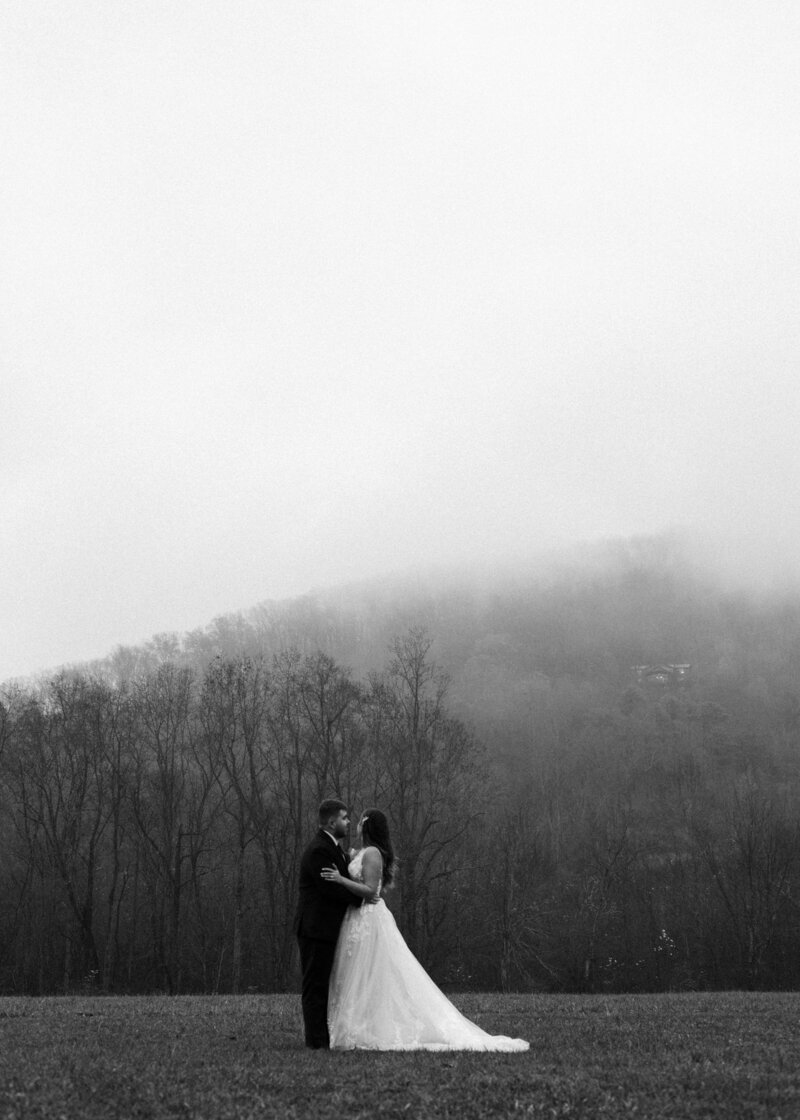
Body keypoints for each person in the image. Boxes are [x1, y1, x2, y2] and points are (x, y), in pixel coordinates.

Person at [320, 809, 529, 1051]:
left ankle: (368, 1028)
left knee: (373, 972)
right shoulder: (362, 852)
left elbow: (370, 891)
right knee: (356, 974)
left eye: (358, 822)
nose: (354, 826)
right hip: (355, 919)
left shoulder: (374, 853)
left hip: (368, 920)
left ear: (366, 826)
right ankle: (353, 1025)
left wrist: (340, 879)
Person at [294, 798, 368, 1049]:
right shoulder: (319, 850)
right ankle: (316, 1042)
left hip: (326, 929)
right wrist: (362, 898)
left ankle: (322, 1038)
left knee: (324, 985)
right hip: (315, 929)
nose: (348, 822)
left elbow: (341, 880)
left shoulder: (333, 848)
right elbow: (330, 889)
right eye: (345, 818)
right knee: (315, 986)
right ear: (331, 821)